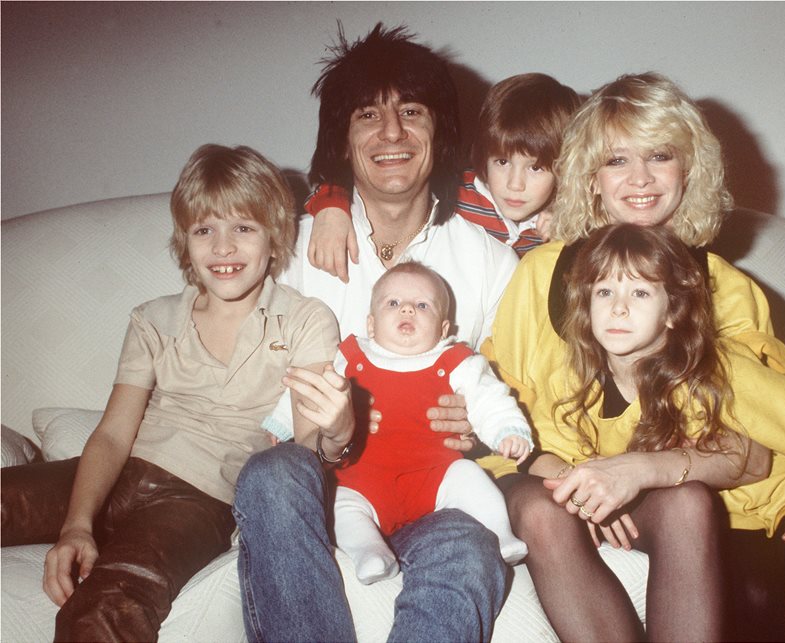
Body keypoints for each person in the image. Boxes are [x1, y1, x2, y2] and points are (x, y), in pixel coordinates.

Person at [476, 72, 785, 641]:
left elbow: (755, 448)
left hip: (665, 488)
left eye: (660, 156)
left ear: (689, 170)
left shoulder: (728, 290)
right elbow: (499, 408)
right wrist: (582, 484)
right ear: (590, 177)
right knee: (542, 513)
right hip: (547, 480)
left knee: (690, 506)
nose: (640, 179)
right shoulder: (539, 274)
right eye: (616, 160)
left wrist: (637, 472)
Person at [232, 24, 512, 642]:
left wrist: (476, 424)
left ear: (441, 131)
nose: (391, 134)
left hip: (429, 490)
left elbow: (509, 395)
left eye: (411, 112)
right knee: (271, 475)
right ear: (343, 138)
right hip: (316, 492)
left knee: (470, 544)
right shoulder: (294, 249)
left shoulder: (490, 263)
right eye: (368, 115)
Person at [0, 144, 346, 641]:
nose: (222, 248)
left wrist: (332, 437)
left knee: (103, 610)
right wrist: (77, 524)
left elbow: (306, 446)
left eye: (243, 228)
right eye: (204, 230)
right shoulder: (153, 317)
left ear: (274, 238)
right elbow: (113, 435)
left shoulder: (304, 319)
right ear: (185, 242)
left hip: (197, 504)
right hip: (120, 473)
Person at [552, 223, 785, 641]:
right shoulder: (579, 381)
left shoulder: (714, 366)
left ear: (673, 312)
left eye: (640, 293)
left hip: (778, 496)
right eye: (604, 292)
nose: (618, 308)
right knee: (754, 602)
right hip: (726, 513)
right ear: (584, 303)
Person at [264, 262, 532, 584]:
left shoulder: (457, 362)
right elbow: (314, 388)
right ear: (371, 323)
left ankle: (500, 535)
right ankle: (369, 551)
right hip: (361, 480)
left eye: (423, 305)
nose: (407, 309)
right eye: (393, 303)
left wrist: (507, 430)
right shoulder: (351, 357)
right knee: (339, 505)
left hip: (435, 477)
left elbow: (489, 398)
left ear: (443, 329)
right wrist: (282, 421)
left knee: (469, 477)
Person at [305, 72, 581, 281]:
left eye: (535, 168)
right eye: (502, 161)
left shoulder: (563, 220)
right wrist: (332, 207)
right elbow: (359, 181)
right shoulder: (455, 189)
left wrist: (567, 229)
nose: (515, 184)